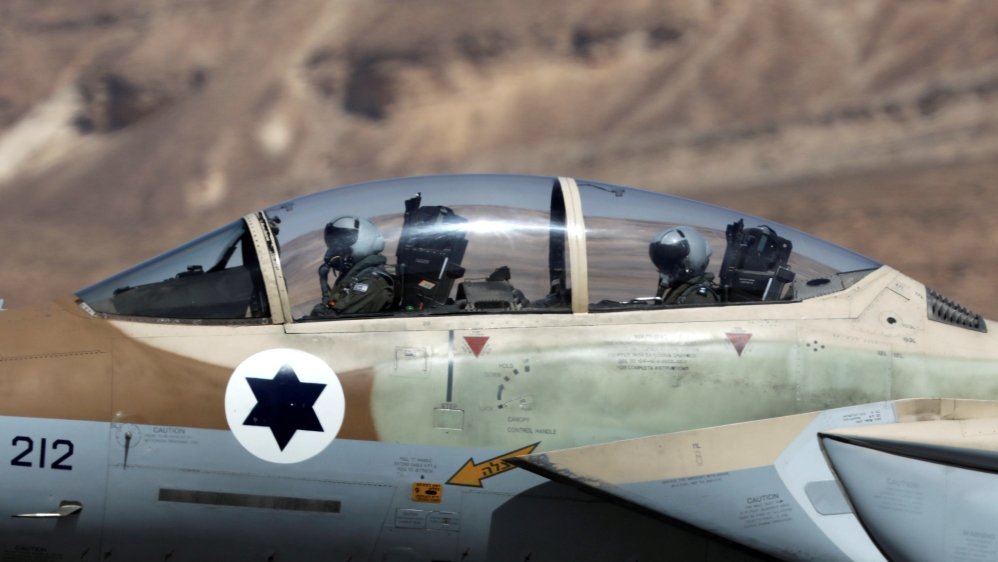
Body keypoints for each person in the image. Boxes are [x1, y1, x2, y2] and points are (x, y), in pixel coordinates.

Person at [310, 216, 396, 318]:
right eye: (333, 245)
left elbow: (338, 321)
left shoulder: (371, 282)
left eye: (341, 244)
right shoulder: (353, 277)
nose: (335, 250)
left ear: (363, 241)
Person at [649, 226, 720, 305]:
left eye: (671, 261)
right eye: (663, 262)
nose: (665, 268)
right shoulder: (681, 289)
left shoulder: (698, 298)